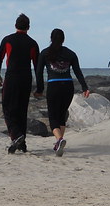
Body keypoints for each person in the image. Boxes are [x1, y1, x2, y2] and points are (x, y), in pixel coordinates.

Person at [36, 28, 89, 157]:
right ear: (63, 39)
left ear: (51, 38)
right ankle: (59, 143)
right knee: (61, 115)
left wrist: (40, 89)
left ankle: (59, 140)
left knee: (53, 116)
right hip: (68, 86)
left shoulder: (44, 53)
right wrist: (85, 87)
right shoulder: (70, 53)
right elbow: (78, 72)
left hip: (54, 85)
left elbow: (38, 73)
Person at [0, 13, 39, 154]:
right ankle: (22, 143)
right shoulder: (33, 43)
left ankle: (16, 135)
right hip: (26, 78)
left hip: (12, 77)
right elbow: (37, 66)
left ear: (15, 25)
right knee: (22, 110)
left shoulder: (8, 40)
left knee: (8, 108)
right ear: (29, 27)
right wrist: (40, 86)